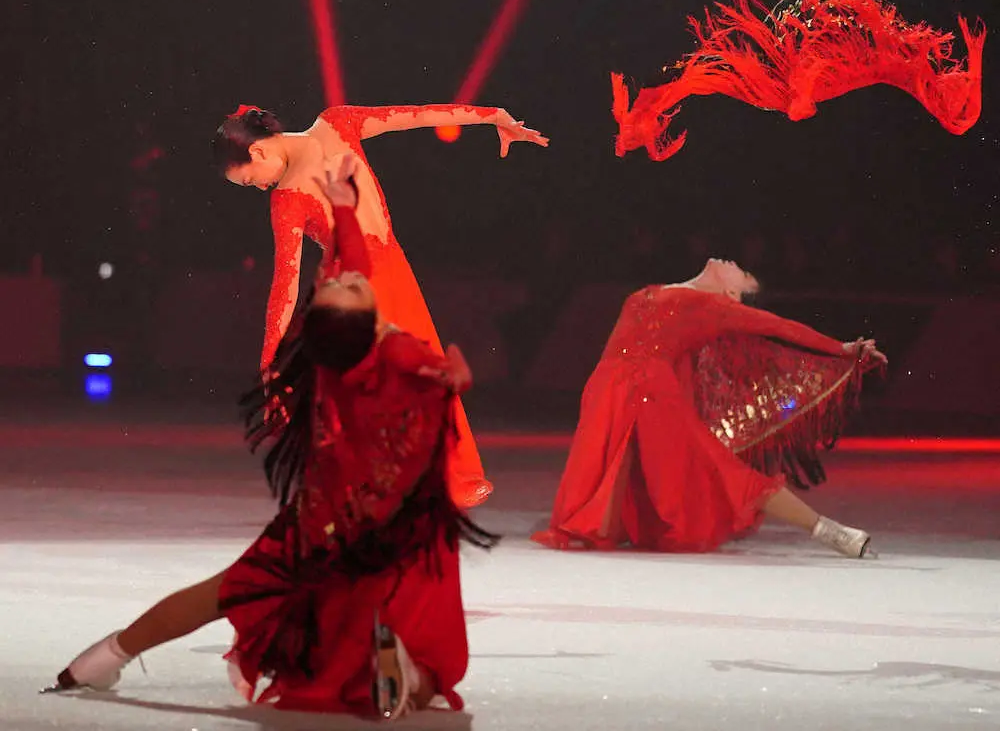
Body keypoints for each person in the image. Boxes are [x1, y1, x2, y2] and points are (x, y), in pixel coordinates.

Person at [48, 160, 498, 720]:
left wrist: (342, 209)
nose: (346, 278)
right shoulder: (393, 352)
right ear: (366, 324)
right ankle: (407, 670)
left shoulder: (329, 357)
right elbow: (424, 363)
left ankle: (102, 657)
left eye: (336, 285)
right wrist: (451, 375)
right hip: (393, 526)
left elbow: (353, 273)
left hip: (319, 524)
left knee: (223, 593)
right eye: (347, 288)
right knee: (415, 630)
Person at [213, 102, 549, 508]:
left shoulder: (288, 197)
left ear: (257, 151)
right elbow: (421, 116)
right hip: (379, 277)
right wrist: (493, 115)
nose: (260, 188)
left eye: (251, 181)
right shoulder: (336, 123)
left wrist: (269, 365)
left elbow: (285, 286)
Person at [532, 259, 887, 558]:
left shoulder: (716, 307)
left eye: (743, 273)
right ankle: (609, 528)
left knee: (721, 469)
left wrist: (842, 349)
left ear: (732, 293)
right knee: (619, 467)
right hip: (607, 387)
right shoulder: (656, 289)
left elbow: (782, 327)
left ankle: (828, 530)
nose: (735, 264)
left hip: (651, 394)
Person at [611, 0, 985, 162]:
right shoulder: (770, 72)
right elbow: (693, 69)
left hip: (801, 55)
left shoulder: (769, 71)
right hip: (805, 55)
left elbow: (695, 68)